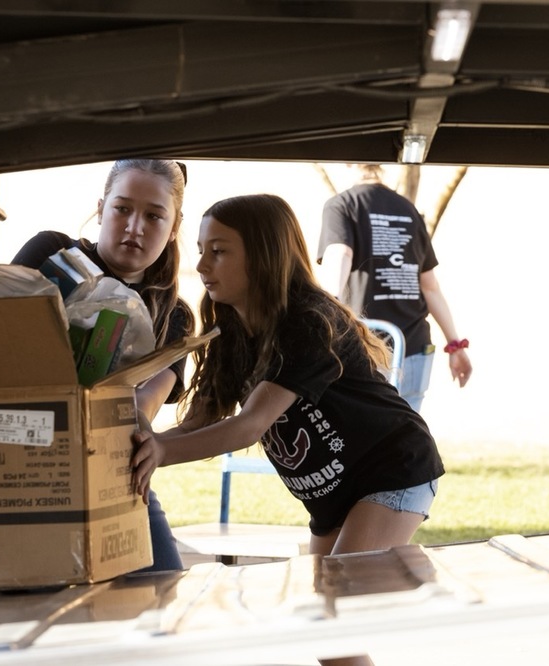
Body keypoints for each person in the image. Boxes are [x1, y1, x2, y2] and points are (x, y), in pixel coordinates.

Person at [131, 193, 443, 666]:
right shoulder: (232, 324)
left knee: (330, 610)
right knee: (324, 632)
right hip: (333, 495)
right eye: (200, 248)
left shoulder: (308, 321)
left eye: (218, 250)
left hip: (393, 471)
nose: (201, 263)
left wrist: (160, 453)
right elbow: (206, 415)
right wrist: (144, 446)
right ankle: (392, 572)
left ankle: (404, 573)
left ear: (262, 255)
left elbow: (250, 425)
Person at [12, 158, 194, 574]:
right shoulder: (51, 253)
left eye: (154, 215)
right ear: (100, 207)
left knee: (163, 591)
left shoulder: (173, 316)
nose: (135, 227)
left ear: (175, 224)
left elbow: (142, 409)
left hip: (113, 476)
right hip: (19, 462)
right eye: (122, 209)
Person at [316, 163, 472, 413]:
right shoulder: (407, 210)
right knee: (405, 434)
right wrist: (455, 345)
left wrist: (324, 312)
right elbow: (430, 286)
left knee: (361, 435)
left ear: (348, 163)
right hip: (412, 348)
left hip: (365, 347)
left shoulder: (341, 205)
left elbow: (340, 253)